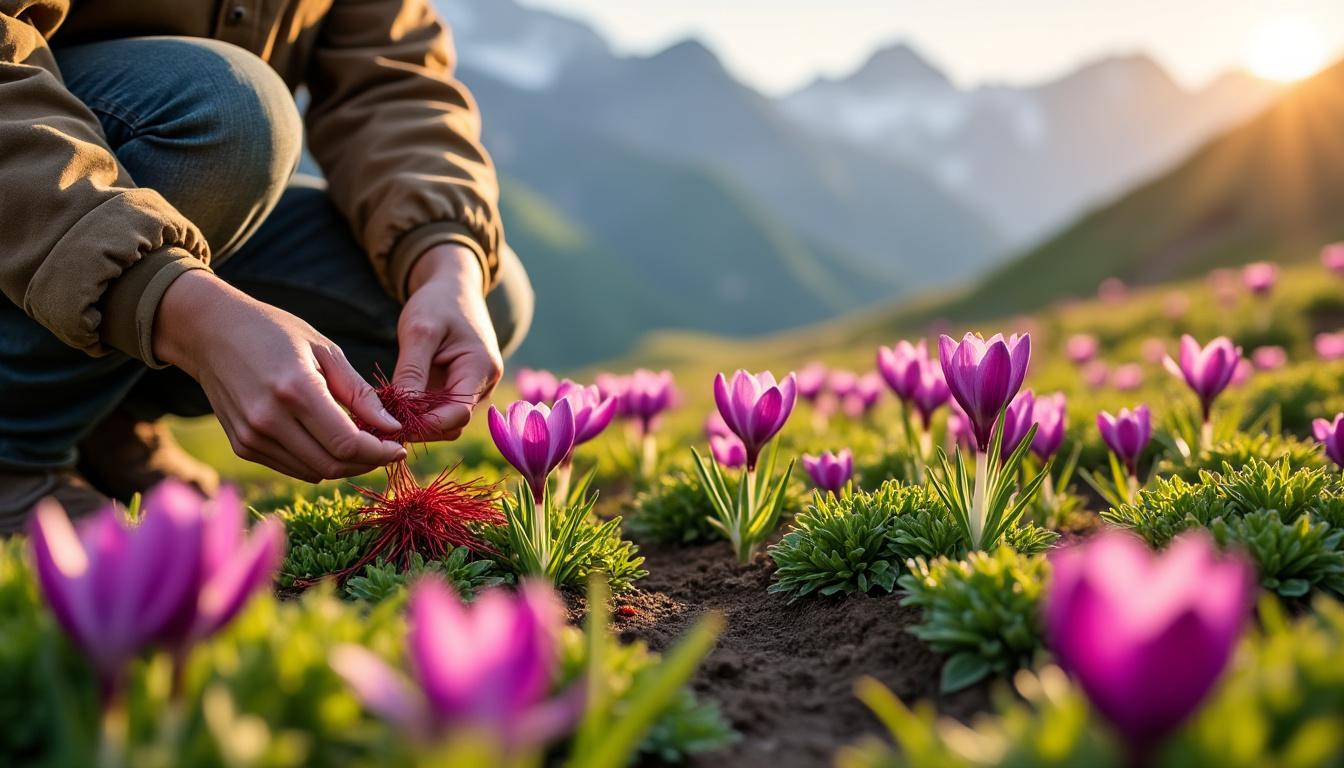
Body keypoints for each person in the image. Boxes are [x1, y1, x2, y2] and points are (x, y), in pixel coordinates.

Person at [0, 0, 533, 531]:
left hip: (173, 206)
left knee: (482, 290)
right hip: (35, 174)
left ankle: (97, 424)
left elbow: (390, 84)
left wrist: (444, 259)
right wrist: (182, 308)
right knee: (230, 112)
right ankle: (12, 452)